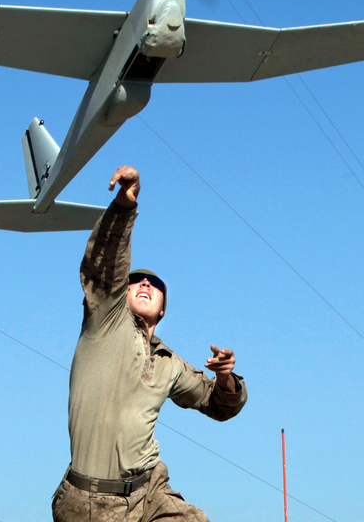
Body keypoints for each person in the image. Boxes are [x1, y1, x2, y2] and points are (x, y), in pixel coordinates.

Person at [51, 165, 247, 522]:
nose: (144, 284)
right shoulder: (104, 320)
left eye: (154, 285)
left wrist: (225, 377)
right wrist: (124, 208)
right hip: (89, 502)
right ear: (121, 293)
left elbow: (218, 405)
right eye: (136, 280)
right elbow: (105, 267)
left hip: (148, 493)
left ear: (163, 309)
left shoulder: (167, 362)